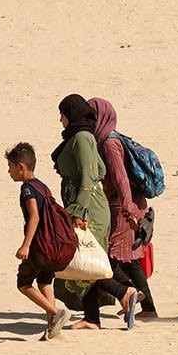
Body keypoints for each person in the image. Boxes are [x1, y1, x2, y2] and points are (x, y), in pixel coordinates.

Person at [52, 94, 141, 330]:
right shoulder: (78, 137)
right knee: (85, 259)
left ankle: (126, 292)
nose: (60, 119)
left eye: (62, 114)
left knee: (88, 258)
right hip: (83, 205)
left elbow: (88, 177)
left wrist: (80, 211)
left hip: (89, 207)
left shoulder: (82, 138)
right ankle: (92, 317)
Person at [90, 97, 158, 320]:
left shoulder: (109, 144)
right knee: (130, 260)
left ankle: (131, 294)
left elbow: (121, 180)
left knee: (108, 257)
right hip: (127, 204)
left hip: (123, 206)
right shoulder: (107, 140)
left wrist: (128, 212)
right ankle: (147, 308)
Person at [6, 142, 72, 340]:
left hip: (38, 245)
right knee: (44, 282)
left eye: (10, 167)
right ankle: (53, 327)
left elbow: (34, 216)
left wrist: (26, 245)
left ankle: (55, 312)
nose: (9, 172)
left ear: (21, 167)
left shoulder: (27, 189)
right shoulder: (42, 186)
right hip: (52, 244)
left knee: (23, 283)